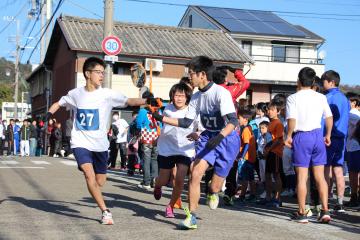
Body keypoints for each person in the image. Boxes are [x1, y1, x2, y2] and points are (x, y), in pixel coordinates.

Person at [45, 57, 153, 225]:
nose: (102, 75)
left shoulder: (107, 94)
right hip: (80, 143)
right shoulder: (75, 94)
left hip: (100, 145)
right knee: (89, 175)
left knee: (100, 181)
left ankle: (96, 192)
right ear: (88, 74)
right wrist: (48, 116)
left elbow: (129, 101)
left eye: (103, 72)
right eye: (98, 72)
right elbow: (58, 103)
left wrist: (147, 101)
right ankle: (105, 211)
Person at [152, 56, 240, 229]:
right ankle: (191, 216)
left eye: (191, 73)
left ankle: (213, 191)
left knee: (214, 186)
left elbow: (233, 121)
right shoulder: (196, 97)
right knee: (195, 172)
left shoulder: (221, 93)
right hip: (208, 136)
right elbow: (185, 123)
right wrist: (162, 117)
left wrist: (220, 137)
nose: (189, 77)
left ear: (202, 75)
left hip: (227, 138)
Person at [285, 67, 333, 223]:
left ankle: (302, 212)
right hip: (318, 136)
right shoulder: (321, 97)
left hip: (301, 136)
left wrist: (289, 135)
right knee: (320, 177)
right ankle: (325, 210)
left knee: (302, 177)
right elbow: (329, 117)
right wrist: (328, 135)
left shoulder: (293, 98)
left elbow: (291, 119)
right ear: (314, 81)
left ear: (298, 80)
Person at [153, 83, 197, 218]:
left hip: (185, 149)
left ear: (187, 97)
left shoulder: (192, 109)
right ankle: (157, 185)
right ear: (172, 96)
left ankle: (170, 206)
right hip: (167, 147)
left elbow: (197, 126)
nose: (179, 98)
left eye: (182, 96)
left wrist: (197, 134)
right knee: (164, 179)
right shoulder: (167, 109)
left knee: (179, 179)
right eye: (176, 95)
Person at [321, 70, 350, 212]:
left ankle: (324, 201)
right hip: (342, 138)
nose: (322, 84)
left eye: (324, 81)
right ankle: (340, 203)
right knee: (338, 170)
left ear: (331, 82)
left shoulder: (327, 97)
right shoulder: (345, 98)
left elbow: (326, 119)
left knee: (325, 170)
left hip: (329, 137)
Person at [136, 93, 162, 189]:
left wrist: (140, 131)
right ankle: (154, 180)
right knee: (154, 159)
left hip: (146, 138)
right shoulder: (158, 111)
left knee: (146, 160)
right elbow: (161, 125)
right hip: (156, 138)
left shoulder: (143, 111)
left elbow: (138, 123)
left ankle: (146, 182)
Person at [261, 101, 284, 208]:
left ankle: (277, 198)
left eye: (272, 110)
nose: (269, 112)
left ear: (278, 111)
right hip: (269, 152)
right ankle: (268, 197)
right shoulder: (270, 123)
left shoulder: (278, 123)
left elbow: (279, 140)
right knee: (267, 175)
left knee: (276, 175)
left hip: (275, 153)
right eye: (268, 109)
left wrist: (269, 148)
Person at [235, 108, 257, 203]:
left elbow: (247, 144)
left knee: (244, 177)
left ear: (245, 119)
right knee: (250, 177)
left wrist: (241, 156)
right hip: (251, 157)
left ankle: (243, 195)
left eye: (238, 118)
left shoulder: (245, 130)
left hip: (247, 158)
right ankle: (253, 194)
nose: (237, 120)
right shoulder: (249, 128)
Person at [345, 93, 360, 207]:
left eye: (348, 101)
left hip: (355, 147)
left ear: (354, 103)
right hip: (353, 146)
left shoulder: (352, 114)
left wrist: (353, 135)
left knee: (353, 173)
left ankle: (354, 198)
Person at [257, 121, 272, 198]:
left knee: (267, 176)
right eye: (260, 128)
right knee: (262, 176)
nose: (261, 130)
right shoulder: (260, 137)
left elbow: (269, 146)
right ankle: (265, 191)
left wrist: (265, 154)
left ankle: (268, 192)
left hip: (265, 159)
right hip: (261, 159)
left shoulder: (268, 136)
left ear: (267, 128)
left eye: (263, 128)